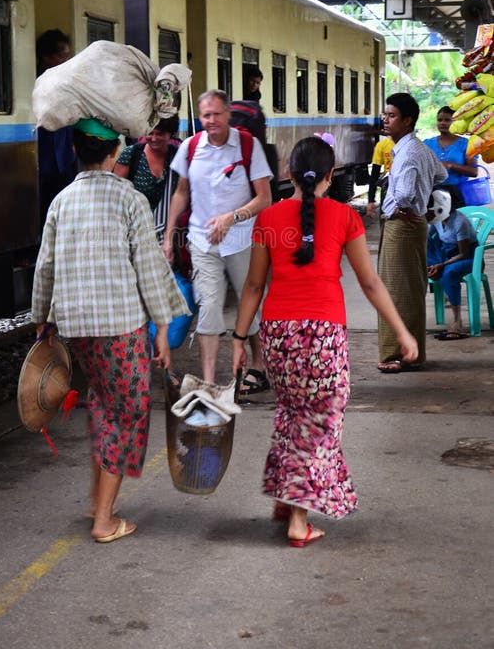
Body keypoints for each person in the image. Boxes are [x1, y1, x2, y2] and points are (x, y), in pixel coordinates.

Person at [232, 136, 418, 547]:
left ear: (289, 175)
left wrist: (239, 338)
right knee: (318, 425)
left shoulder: (270, 219)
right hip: (322, 337)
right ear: (332, 175)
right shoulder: (344, 218)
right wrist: (402, 330)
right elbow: (370, 283)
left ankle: (286, 495)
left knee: (292, 413)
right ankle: (298, 518)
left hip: (278, 334)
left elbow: (252, 286)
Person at [32, 118, 190, 544]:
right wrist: (162, 325)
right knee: (127, 413)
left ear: (74, 152)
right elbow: (150, 268)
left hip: (77, 326)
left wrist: (42, 321)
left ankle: (95, 500)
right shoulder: (129, 198)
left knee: (103, 402)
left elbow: (44, 266)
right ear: (115, 153)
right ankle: (104, 520)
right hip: (119, 326)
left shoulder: (61, 201)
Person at [163, 89, 273, 394]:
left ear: (227, 115)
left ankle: (258, 365)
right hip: (202, 240)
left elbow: (265, 197)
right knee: (209, 306)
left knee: (249, 303)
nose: (211, 121)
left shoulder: (248, 146)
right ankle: (209, 381)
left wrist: (231, 217)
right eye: (205, 115)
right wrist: (170, 234)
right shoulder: (191, 146)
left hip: (242, 239)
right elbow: (182, 192)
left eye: (216, 114)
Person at [377, 93, 448, 373]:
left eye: (392, 115)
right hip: (414, 224)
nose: (385, 119)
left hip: (402, 224)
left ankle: (396, 353)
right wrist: (423, 197)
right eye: (386, 114)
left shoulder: (407, 153)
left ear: (407, 121)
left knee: (395, 290)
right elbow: (441, 174)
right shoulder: (418, 148)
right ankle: (412, 352)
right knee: (410, 288)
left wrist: (408, 203)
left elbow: (404, 194)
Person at [113, 115, 180, 243]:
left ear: (170, 133)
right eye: (150, 133)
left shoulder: (178, 156)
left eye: (160, 134)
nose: (154, 138)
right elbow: (117, 196)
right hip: (135, 234)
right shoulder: (131, 155)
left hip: (170, 237)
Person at [36, 29, 76, 227]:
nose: (65, 61)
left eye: (67, 56)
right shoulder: (35, 81)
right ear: (46, 56)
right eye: (61, 56)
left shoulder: (66, 82)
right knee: (43, 204)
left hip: (64, 156)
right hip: (43, 156)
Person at [427, 187, 478, 340]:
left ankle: (457, 321)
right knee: (424, 248)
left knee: (448, 274)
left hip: (467, 258)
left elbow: (464, 253)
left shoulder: (459, 221)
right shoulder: (436, 220)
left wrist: (441, 265)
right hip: (445, 254)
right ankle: (433, 270)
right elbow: (428, 242)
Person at [423, 105, 478, 196]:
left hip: (458, 193)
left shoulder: (466, 144)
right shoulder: (427, 143)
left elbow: (474, 172)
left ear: (456, 122)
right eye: (439, 120)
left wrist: (450, 165)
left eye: (447, 120)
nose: (442, 123)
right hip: (431, 193)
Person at [366, 132, 395, 217]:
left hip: (406, 190)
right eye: (386, 117)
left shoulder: (411, 145)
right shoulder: (382, 145)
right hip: (388, 188)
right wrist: (371, 200)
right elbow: (374, 175)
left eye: (392, 117)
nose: (386, 121)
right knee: (385, 224)